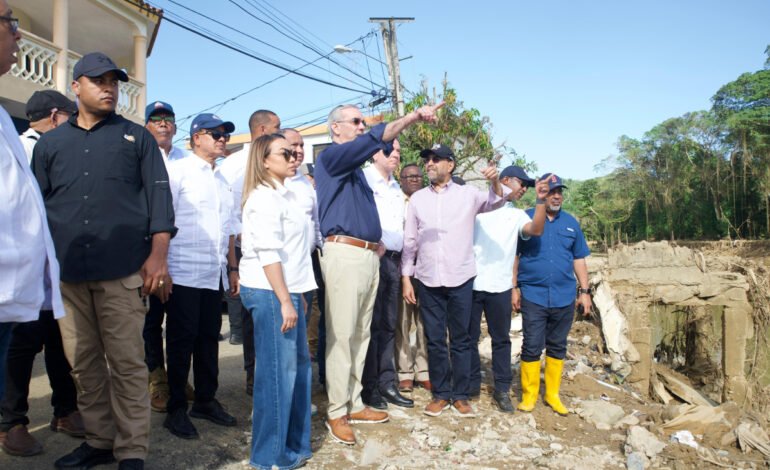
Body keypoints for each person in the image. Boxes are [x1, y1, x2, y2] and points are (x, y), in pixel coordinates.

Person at [32, 52, 176, 470]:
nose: (109, 88)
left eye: (114, 81)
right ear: (76, 87)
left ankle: (131, 449)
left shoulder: (137, 138)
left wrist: (158, 257)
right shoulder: (51, 144)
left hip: (123, 271)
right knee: (84, 364)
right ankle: (99, 441)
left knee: (128, 363)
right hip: (68, 273)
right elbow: (37, 208)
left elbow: (159, 201)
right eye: (98, 80)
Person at [316, 102, 443, 445]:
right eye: (354, 121)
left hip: (368, 256)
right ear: (336, 129)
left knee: (361, 336)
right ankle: (337, 411)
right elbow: (375, 138)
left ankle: (355, 402)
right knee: (342, 337)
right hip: (345, 254)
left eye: (362, 121)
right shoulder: (332, 158)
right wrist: (414, 117)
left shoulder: (355, 170)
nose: (361, 126)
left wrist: (377, 244)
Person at [0, 89, 82, 458]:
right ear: (55, 116)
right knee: (20, 346)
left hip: (53, 264)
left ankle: (64, 411)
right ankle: (10, 422)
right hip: (21, 267)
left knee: (58, 341)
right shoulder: (22, 146)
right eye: (71, 116)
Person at [0, 4, 65, 455]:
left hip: (24, 277)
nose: (19, 37)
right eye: (11, 24)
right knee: (19, 356)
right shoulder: (26, 139)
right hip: (8, 277)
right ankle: (11, 420)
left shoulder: (3, 120)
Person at [401, 144, 506, 419]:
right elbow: (410, 241)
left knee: (461, 339)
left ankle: (460, 396)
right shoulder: (418, 200)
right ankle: (440, 394)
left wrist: (494, 179)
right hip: (427, 278)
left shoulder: (469, 195)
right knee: (434, 339)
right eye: (427, 160)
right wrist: (406, 277)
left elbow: (497, 200)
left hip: (460, 277)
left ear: (451, 165)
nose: (430, 164)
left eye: (436, 159)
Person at [238, 133, 314, 469]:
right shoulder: (263, 198)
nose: (293, 156)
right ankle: (269, 457)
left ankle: (295, 446)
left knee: (298, 371)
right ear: (265, 160)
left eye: (295, 152)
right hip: (270, 293)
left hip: (286, 291)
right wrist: (285, 299)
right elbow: (269, 254)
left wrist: (297, 294)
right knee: (276, 376)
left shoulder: (283, 195)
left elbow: (293, 253)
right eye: (285, 152)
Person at [162, 114, 237, 439]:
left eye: (225, 135)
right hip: (182, 271)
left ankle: (205, 400)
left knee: (209, 341)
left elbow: (231, 230)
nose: (222, 139)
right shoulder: (178, 171)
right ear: (196, 138)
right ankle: (175, 408)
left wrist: (232, 269)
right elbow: (162, 219)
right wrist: (159, 265)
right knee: (181, 342)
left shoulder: (222, 180)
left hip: (212, 273)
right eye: (216, 134)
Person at [469, 166, 548, 413]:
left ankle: (502, 390)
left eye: (527, 186)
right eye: (520, 183)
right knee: (467, 337)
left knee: (501, 340)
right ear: (504, 180)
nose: (523, 189)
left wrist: (541, 201)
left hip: (500, 286)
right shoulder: (478, 208)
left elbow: (535, 230)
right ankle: (469, 384)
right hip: (470, 283)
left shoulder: (517, 215)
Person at [513, 173, 592, 416]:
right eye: (551, 191)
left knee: (558, 345)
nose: (556, 196)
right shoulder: (525, 218)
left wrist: (585, 292)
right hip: (533, 294)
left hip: (563, 295)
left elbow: (579, 258)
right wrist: (513, 288)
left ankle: (553, 395)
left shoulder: (571, 223)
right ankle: (529, 395)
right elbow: (515, 255)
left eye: (559, 192)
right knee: (532, 344)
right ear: (542, 193)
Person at [219, 109, 281, 392]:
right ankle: (253, 375)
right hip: (246, 250)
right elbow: (227, 211)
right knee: (252, 317)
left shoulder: (277, 162)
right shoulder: (233, 165)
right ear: (263, 130)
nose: (281, 132)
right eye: (277, 127)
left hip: (277, 248)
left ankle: (276, 371)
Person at [142, 100, 189, 413]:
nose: (163, 124)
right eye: (156, 119)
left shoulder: (186, 159)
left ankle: (177, 379)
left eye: (168, 119)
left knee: (180, 321)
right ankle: (156, 379)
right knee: (151, 320)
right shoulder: (139, 156)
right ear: (147, 125)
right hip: (151, 253)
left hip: (184, 254)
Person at [361, 140, 413, 410]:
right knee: (370, 326)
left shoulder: (395, 187)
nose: (396, 155)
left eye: (398, 152)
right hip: (372, 258)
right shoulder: (364, 180)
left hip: (394, 260)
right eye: (390, 151)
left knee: (388, 325)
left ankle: (387, 382)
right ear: (375, 154)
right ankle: (368, 387)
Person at [395, 163, 430, 393]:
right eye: (409, 176)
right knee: (403, 321)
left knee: (425, 322)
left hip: (427, 269)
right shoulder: (395, 201)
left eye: (418, 176)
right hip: (401, 268)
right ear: (402, 179)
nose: (414, 179)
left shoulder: (429, 201)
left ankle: (424, 370)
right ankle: (405, 371)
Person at [20, 90, 77, 162]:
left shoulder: (20, 144)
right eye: (71, 114)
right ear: (54, 117)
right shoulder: (27, 147)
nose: (74, 121)